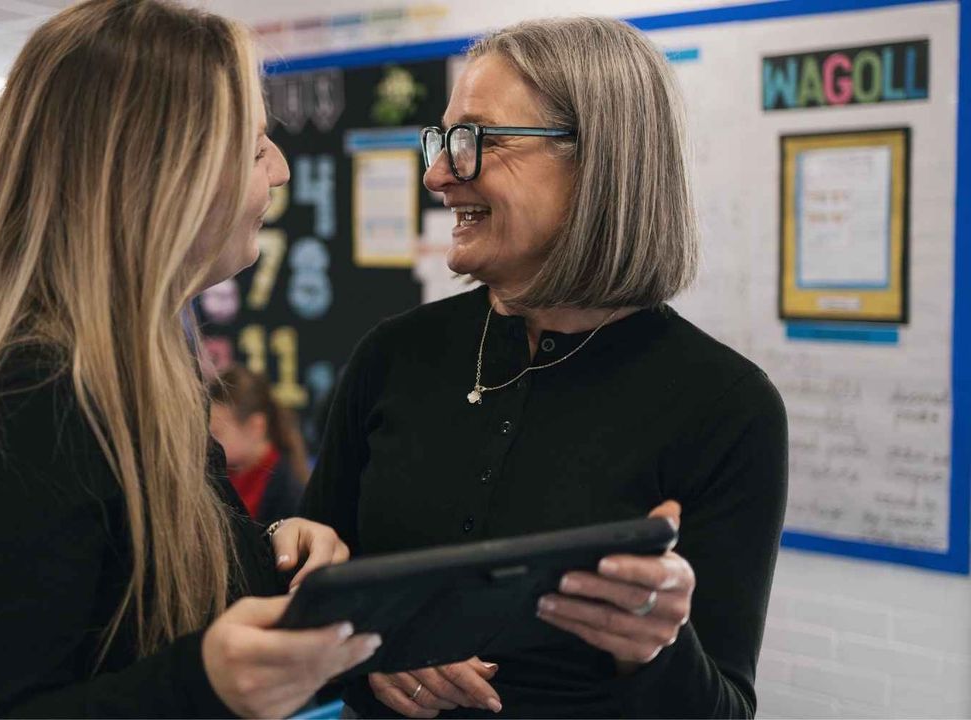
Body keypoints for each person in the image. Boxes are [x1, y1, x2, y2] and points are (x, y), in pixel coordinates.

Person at [0, 2, 377, 717]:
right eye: (253, 149)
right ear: (161, 177)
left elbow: (139, 595)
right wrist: (201, 682)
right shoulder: (30, 397)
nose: (278, 170)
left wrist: (269, 553)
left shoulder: (145, 368)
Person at [302, 17, 788, 719]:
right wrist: (369, 657)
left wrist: (649, 648)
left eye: (476, 140)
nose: (438, 174)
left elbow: (723, 710)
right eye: (441, 141)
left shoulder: (726, 404)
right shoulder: (394, 355)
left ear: (598, 161)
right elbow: (308, 601)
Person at [209, 366, 310, 526]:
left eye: (217, 433)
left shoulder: (290, 494)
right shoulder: (218, 478)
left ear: (256, 427)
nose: (209, 443)